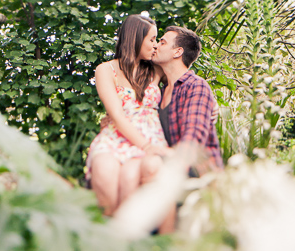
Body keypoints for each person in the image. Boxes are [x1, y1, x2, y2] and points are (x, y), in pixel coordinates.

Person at [140, 25, 223, 232]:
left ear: (178, 52)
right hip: (168, 170)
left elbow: (192, 141)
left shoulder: (196, 86)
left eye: (163, 42)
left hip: (197, 178)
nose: (157, 45)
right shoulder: (158, 92)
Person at [86, 14, 168, 215]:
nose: (155, 45)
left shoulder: (156, 70)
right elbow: (116, 114)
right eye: (151, 39)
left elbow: (183, 74)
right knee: (105, 177)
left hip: (148, 136)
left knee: (129, 187)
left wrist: (210, 101)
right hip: (116, 135)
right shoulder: (106, 70)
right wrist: (146, 146)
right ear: (135, 39)